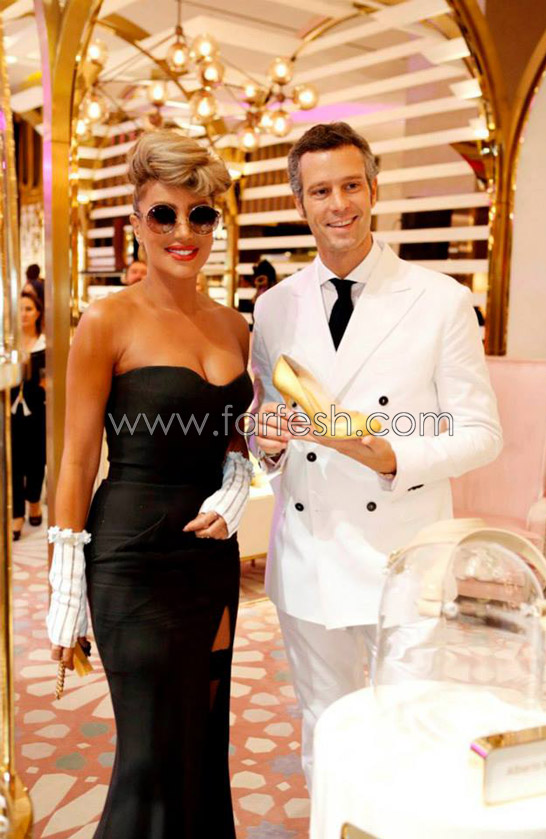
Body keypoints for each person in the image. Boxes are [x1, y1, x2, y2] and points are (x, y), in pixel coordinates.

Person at [251, 122, 503, 788]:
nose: (339, 204)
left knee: (409, 733)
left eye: (351, 186)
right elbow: (267, 420)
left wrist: (391, 457)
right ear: (300, 202)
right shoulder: (273, 308)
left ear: (373, 190)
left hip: (406, 559)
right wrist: (265, 443)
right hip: (308, 554)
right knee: (324, 729)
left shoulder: (441, 300)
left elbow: (482, 432)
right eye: (321, 191)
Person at [46, 130, 254, 838]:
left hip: (210, 561)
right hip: (131, 559)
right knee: (149, 755)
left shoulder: (235, 327)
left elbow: (234, 441)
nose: (183, 232)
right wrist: (65, 586)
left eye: (200, 216)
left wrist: (234, 492)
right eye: (164, 214)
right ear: (136, 221)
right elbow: (77, 459)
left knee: (201, 740)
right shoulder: (107, 319)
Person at [11, 291, 46, 539]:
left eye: (29, 309)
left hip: (38, 411)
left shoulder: (46, 345)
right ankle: (17, 513)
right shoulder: (8, 345)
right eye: (20, 309)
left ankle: (34, 501)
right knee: (13, 462)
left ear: (38, 313)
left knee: (36, 460)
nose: (24, 314)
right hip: (10, 412)